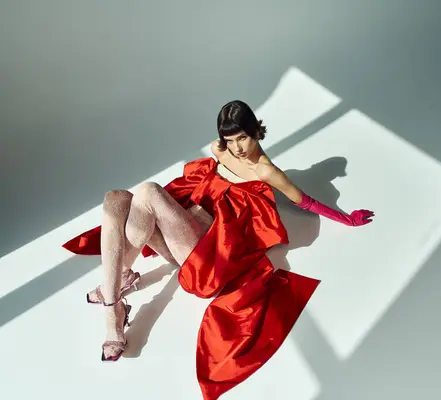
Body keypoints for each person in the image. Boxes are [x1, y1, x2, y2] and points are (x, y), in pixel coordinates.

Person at [62, 100, 374, 399]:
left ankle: (112, 310)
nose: (237, 147)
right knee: (115, 198)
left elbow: (304, 201)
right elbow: (212, 170)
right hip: (179, 236)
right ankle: (121, 282)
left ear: (256, 131)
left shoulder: (267, 172)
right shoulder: (219, 150)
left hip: (207, 257)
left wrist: (347, 218)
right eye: (230, 139)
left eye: (243, 138)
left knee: (146, 192)